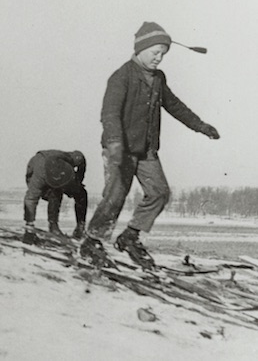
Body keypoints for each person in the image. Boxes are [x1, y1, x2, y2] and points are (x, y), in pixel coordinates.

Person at [80, 22, 219, 269]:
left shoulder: (158, 78)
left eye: (163, 54)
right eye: (155, 52)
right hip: (120, 149)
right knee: (115, 196)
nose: (159, 58)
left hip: (146, 151)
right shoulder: (121, 76)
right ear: (140, 49)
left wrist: (200, 126)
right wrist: (114, 144)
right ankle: (92, 242)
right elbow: (109, 113)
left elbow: (174, 105)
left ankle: (130, 237)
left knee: (160, 193)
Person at [22, 150, 87, 244]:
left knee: (81, 193)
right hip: (39, 165)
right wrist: (29, 226)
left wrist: (79, 180)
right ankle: (53, 225)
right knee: (54, 194)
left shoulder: (72, 159)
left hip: (59, 171)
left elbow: (81, 157)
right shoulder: (39, 176)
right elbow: (31, 199)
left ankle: (80, 228)